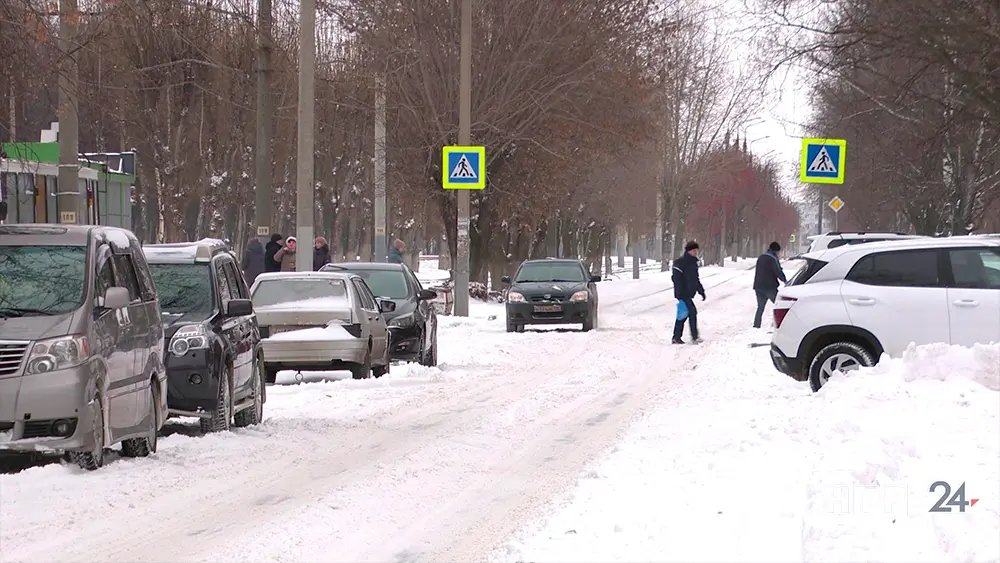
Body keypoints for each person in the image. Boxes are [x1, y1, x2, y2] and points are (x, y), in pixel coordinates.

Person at [671, 240, 706, 344]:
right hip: (683, 293)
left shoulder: (693, 263)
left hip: (688, 294)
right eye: (694, 250)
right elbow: (676, 278)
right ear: (688, 251)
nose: (695, 252)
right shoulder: (680, 263)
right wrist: (680, 292)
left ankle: (676, 337)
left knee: (683, 314)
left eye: (696, 250)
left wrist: (701, 291)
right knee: (692, 312)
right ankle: (694, 337)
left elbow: (695, 279)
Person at [753, 241, 787, 329]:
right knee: (779, 305)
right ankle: (782, 324)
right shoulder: (773, 259)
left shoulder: (761, 257)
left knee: (760, 307)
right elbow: (778, 271)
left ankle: (756, 325)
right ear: (776, 251)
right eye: (778, 252)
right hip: (769, 287)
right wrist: (785, 281)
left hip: (758, 287)